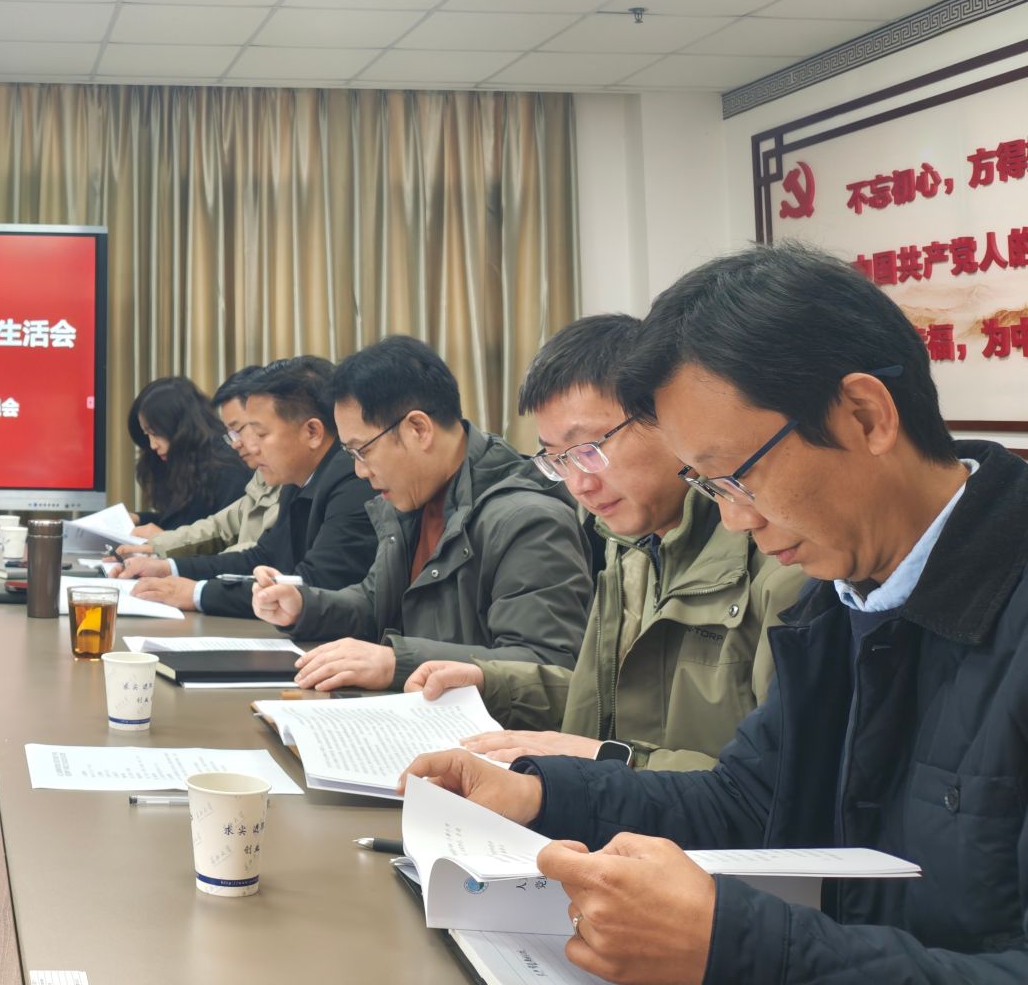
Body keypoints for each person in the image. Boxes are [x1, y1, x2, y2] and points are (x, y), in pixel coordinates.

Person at [404, 244, 1028, 984]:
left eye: (739, 476)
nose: (736, 520)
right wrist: (542, 793)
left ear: (865, 416)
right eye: (709, 486)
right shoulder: (841, 597)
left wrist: (737, 946)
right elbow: (749, 799)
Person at [407, 313, 807, 770]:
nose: (579, 485)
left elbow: (773, 783)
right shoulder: (629, 548)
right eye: (558, 460)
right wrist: (492, 684)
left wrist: (609, 759)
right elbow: (609, 707)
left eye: (589, 450)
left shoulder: (781, 555)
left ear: (668, 418)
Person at [254, 335, 590, 691]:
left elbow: (545, 666)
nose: (359, 471)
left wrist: (397, 663)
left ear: (418, 429)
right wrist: (304, 606)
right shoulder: (411, 501)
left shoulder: (527, 520)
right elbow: (375, 602)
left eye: (362, 451)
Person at [122, 355, 377, 618]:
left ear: (312, 432)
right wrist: (170, 568)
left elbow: (315, 583)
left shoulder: (352, 482)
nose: (250, 446)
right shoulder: (297, 479)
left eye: (261, 434)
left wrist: (198, 593)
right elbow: (263, 556)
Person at [119, 367, 284, 559]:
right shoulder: (260, 476)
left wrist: (167, 553)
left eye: (156, 433)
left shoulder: (233, 469)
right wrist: (155, 537)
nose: (152, 445)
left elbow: (250, 553)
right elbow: (217, 528)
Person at [122, 376, 251, 533]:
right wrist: (139, 519)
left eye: (156, 433)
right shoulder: (181, 463)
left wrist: (163, 539)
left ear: (181, 428)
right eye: (146, 434)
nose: (152, 445)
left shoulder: (229, 470)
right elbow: (182, 521)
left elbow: (223, 536)